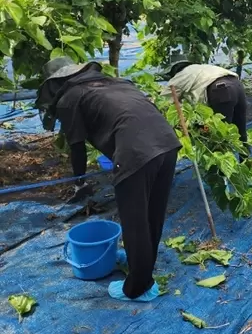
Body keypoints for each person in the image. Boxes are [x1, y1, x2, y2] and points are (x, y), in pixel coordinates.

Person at [35, 57, 181, 302]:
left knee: (134, 221)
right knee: (152, 214)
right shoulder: (117, 83)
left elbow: (77, 146)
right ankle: (144, 269)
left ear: (55, 85)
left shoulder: (70, 98)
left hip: (135, 151)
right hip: (167, 144)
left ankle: (137, 287)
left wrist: (79, 180)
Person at [160, 54, 247, 144]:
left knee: (220, 136)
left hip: (221, 90)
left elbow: (163, 100)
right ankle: (246, 157)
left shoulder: (181, 75)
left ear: (174, 69)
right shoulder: (199, 68)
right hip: (237, 85)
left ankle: (223, 155)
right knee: (241, 130)